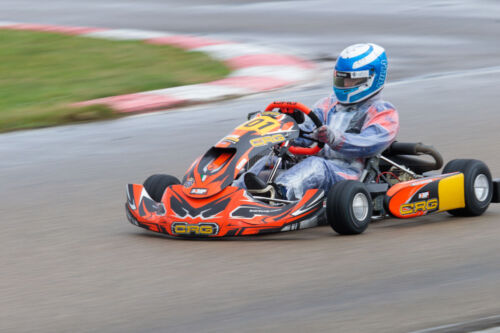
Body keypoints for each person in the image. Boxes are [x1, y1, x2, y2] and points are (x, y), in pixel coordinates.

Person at [243, 43, 400, 200]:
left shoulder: (383, 112)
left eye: (351, 81)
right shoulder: (328, 104)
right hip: (313, 165)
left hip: (347, 174)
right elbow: (305, 135)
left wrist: (336, 139)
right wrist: (280, 130)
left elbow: (370, 144)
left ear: (371, 79)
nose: (344, 85)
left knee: (316, 165)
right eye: (341, 79)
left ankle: (278, 195)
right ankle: (233, 189)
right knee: (268, 157)